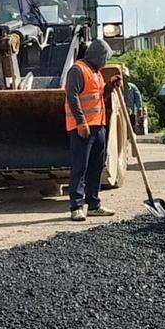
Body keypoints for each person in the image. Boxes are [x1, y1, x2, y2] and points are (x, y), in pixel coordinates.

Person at [65, 39, 119, 221]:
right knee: (80, 167)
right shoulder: (77, 70)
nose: (106, 62)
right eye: (105, 58)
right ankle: (76, 206)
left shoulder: (96, 73)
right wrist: (81, 122)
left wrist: (110, 86)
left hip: (99, 126)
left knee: (97, 166)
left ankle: (94, 204)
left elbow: (99, 95)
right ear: (98, 55)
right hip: (83, 128)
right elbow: (72, 96)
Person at [122, 67, 147, 135]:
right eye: (123, 77)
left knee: (131, 127)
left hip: (130, 112)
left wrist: (139, 109)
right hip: (121, 112)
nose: (124, 79)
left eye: (126, 77)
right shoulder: (117, 88)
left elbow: (138, 98)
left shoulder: (132, 87)